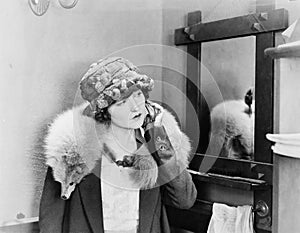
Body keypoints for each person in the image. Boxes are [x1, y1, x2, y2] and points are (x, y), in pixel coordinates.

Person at [39, 57, 197, 233]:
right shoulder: (77, 151)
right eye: (122, 102)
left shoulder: (155, 145)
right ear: (104, 112)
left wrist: (159, 135)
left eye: (138, 95)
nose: (135, 107)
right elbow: (50, 219)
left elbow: (185, 200)